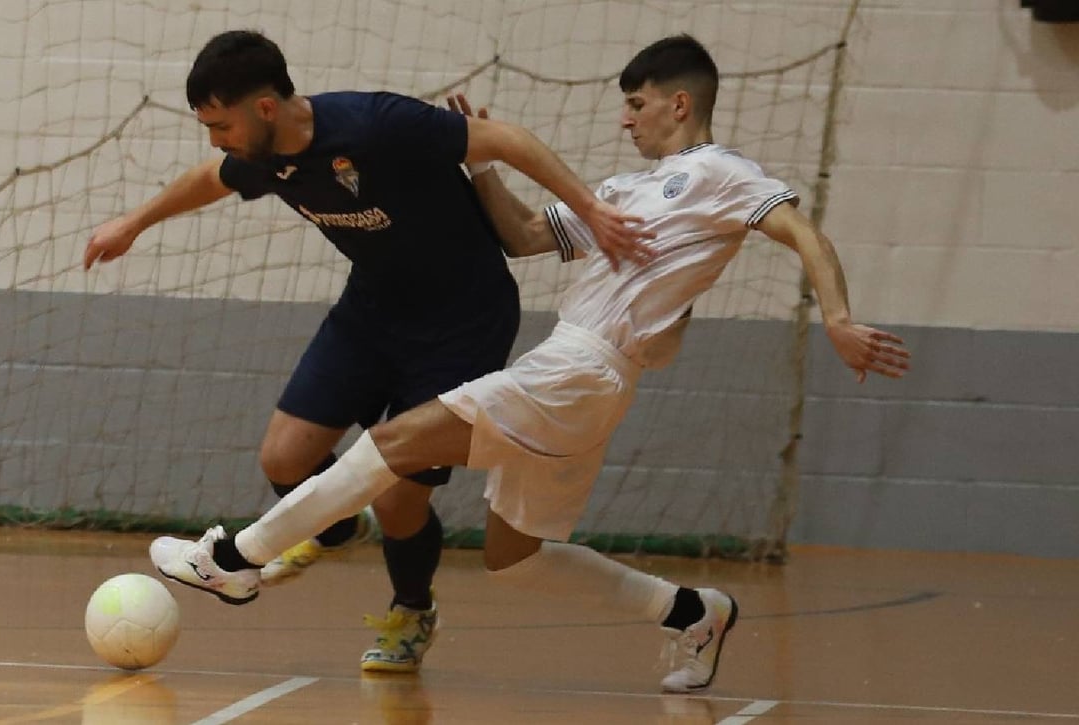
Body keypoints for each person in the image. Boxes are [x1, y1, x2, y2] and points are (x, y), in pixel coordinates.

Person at [148, 34, 911, 692]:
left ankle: (235, 558)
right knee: (515, 558)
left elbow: (801, 231)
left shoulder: (719, 172)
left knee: (393, 444)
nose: (626, 118)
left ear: (680, 104)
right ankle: (694, 612)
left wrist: (837, 317)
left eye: (637, 104)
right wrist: (481, 163)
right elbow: (519, 235)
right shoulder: (623, 190)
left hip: (586, 366)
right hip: (578, 370)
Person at [84, 30, 652, 673]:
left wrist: (590, 210)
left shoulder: (378, 124)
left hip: (462, 322)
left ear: (265, 107)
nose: (217, 140)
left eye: (221, 125)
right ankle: (332, 526)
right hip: (373, 310)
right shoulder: (261, 154)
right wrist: (133, 223)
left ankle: (413, 608)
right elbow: (208, 179)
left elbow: (506, 140)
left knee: (397, 499)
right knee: (284, 457)